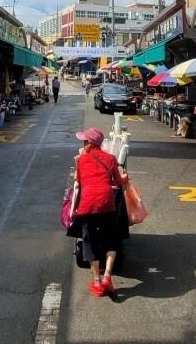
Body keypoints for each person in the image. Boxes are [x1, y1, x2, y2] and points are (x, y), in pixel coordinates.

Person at [73, 126, 127, 297]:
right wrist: (124, 178)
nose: (83, 143)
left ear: (89, 143)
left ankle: (97, 282)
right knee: (111, 239)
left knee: (89, 242)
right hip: (106, 204)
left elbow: (79, 181)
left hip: (88, 205)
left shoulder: (81, 160)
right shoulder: (110, 158)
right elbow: (118, 182)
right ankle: (107, 277)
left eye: (84, 140)